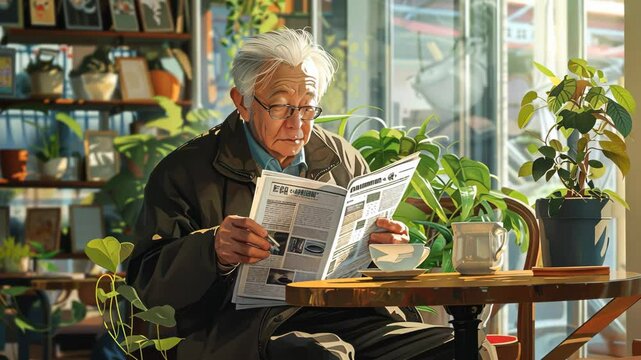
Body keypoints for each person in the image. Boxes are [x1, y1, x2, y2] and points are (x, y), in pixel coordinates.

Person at [127, 28, 459, 360]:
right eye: (281, 107)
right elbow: (145, 287)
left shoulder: (341, 158)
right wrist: (213, 250)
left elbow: (367, 259)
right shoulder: (184, 171)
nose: (297, 124)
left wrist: (388, 251)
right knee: (322, 354)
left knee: (462, 348)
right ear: (241, 102)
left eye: (308, 108)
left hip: (346, 315)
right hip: (243, 328)